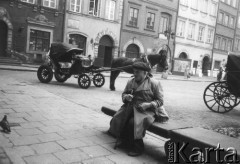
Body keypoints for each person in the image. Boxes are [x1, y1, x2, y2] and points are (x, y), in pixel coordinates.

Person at [108, 62, 169, 156]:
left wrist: (148, 105)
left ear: (145, 73)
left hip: (147, 110)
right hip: (131, 106)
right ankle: (125, 141)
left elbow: (160, 101)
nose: (135, 74)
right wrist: (126, 97)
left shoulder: (154, 83)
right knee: (118, 118)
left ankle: (138, 147)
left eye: (138, 72)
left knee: (134, 123)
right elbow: (124, 94)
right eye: (134, 71)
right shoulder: (131, 81)